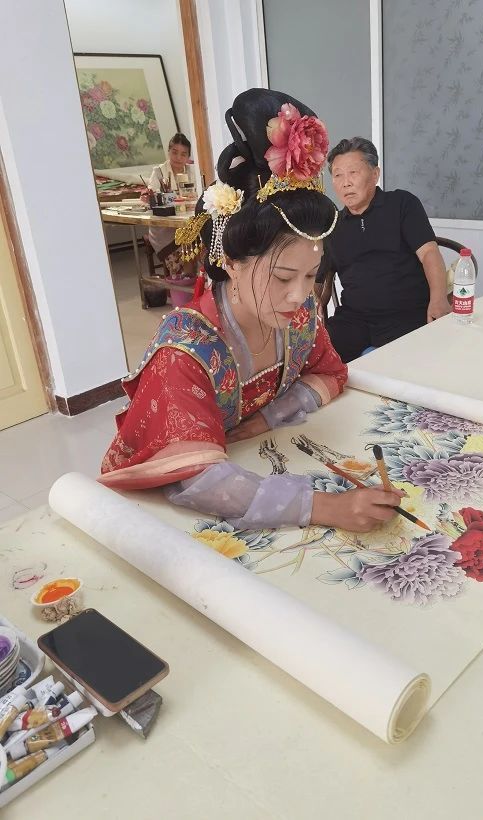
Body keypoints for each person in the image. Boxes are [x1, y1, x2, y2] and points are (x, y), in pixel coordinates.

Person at [101, 89, 404, 533]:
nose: (300, 296)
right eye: (283, 277)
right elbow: (196, 477)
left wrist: (269, 416)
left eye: (312, 275)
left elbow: (331, 373)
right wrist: (325, 507)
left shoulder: (298, 316)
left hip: (247, 458)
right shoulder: (184, 352)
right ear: (231, 262)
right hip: (156, 506)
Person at [316, 137, 450, 363]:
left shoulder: (402, 204)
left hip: (406, 314)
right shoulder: (332, 225)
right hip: (355, 319)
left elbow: (429, 253)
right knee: (319, 360)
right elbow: (320, 279)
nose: (345, 183)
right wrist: (314, 302)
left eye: (353, 173)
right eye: (338, 175)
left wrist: (438, 299)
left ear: (375, 174)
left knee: (408, 367)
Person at [143, 133, 196, 279]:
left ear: (188, 156)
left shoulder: (192, 172)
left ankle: (197, 282)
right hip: (165, 228)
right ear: (168, 151)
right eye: (174, 152)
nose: (178, 157)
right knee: (184, 249)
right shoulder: (159, 172)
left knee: (202, 243)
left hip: (188, 224)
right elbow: (152, 196)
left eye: (183, 154)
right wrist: (149, 197)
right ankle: (182, 282)